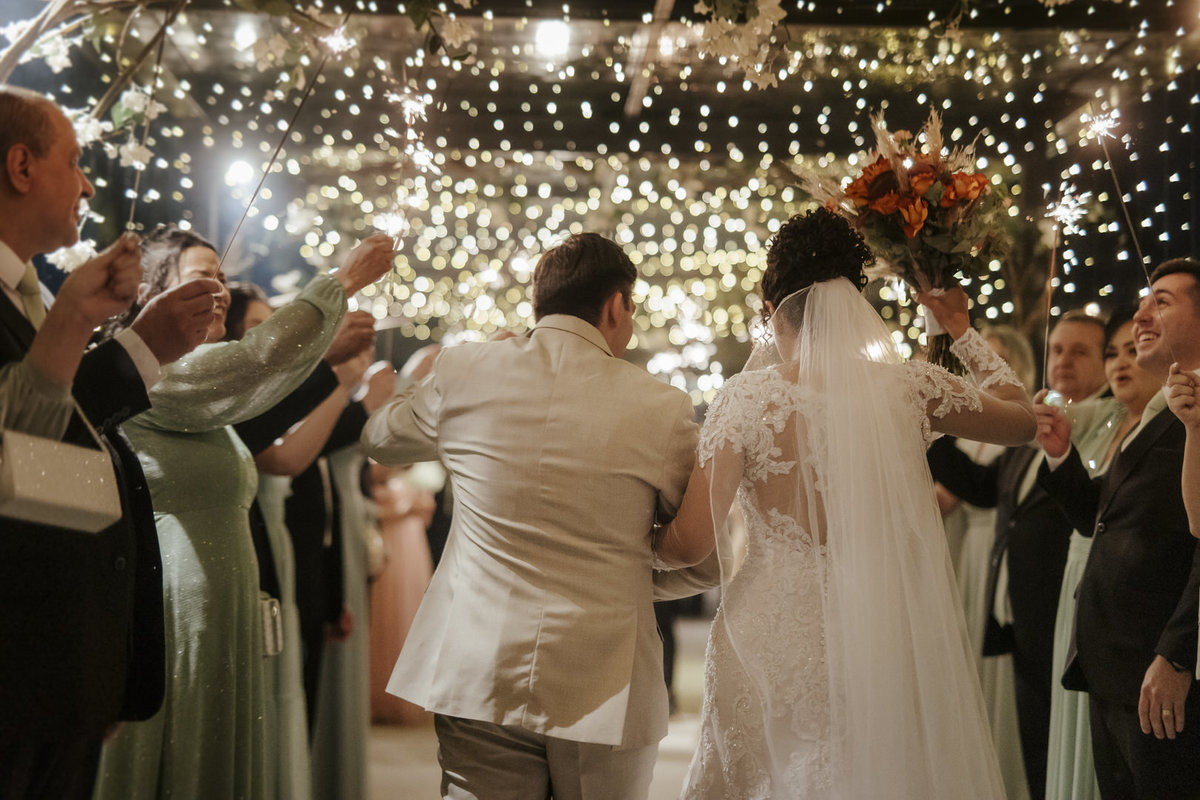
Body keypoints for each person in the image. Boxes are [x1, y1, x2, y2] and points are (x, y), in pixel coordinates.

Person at [654, 207, 1036, 798]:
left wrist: (636, 541)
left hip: (767, 636)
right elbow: (1020, 419)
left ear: (768, 305)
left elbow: (694, 541)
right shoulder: (908, 388)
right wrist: (961, 331)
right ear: (855, 301)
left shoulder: (745, 399)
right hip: (879, 629)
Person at [362, 232, 698, 799]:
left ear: (538, 301)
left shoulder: (467, 370)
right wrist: (627, 577)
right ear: (616, 305)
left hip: (480, 663)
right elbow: (701, 552)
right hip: (604, 676)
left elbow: (381, 438)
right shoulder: (662, 407)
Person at [91, 226, 395, 800]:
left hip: (224, 619)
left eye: (223, 277)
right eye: (202, 276)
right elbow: (256, 362)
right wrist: (343, 279)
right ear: (154, 295)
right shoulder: (154, 372)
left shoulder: (212, 397)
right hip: (174, 615)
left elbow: (257, 384)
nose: (221, 290)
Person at [0, 86, 219, 800]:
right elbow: (14, 451)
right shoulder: (47, 302)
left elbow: (52, 437)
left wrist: (140, 343)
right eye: (74, 159)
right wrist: (78, 320)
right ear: (21, 166)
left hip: (56, 663)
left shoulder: (28, 292)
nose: (90, 182)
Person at [927, 310, 1110, 800]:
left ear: (1108, 360)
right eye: (1058, 349)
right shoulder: (1037, 425)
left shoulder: (1108, 429)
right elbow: (986, 490)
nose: (1064, 360)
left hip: (1066, 619)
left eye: (1081, 351)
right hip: (1021, 620)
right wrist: (928, 429)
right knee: (1036, 757)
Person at [1035, 258, 1200, 799]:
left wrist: (1178, 652)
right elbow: (1100, 521)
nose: (1140, 315)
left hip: (1161, 671)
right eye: (1141, 303)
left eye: (1162, 301)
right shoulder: (1155, 411)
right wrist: (1062, 460)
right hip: (1113, 667)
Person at [1040, 306, 1160, 800]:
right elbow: (1093, 512)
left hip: (1136, 618)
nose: (1120, 364)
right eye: (1113, 352)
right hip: (1087, 595)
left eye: (1133, 350)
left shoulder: (1169, 423)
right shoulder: (1115, 424)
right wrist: (1058, 454)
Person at [935, 323, 1035, 800]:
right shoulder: (971, 427)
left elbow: (976, 488)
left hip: (987, 546)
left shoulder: (1010, 426)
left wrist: (926, 425)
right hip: (960, 544)